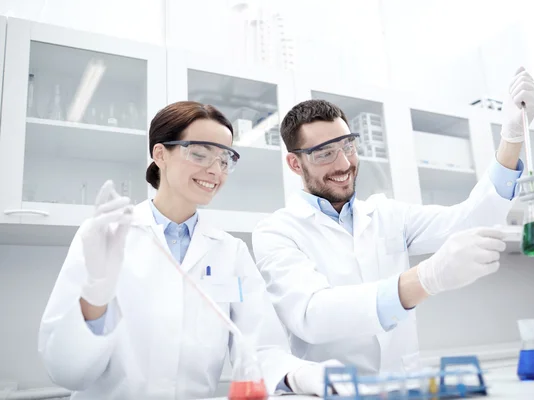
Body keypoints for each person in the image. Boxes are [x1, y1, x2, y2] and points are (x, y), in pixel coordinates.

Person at [252, 68, 534, 373]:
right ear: (295, 163)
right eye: (324, 153)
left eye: (347, 146)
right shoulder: (277, 232)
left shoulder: (386, 215)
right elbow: (312, 315)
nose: (343, 163)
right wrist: (424, 278)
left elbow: (471, 220)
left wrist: (511, 137)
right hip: (330, 392)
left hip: (401, 385)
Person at [38, 101, 336, 399]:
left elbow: (260, 347)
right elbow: (66, 371)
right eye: (199, 154)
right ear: (160, 154)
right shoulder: (106, 236)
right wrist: (95, 297)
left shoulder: (231, 252)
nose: (215, 170)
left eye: (224, 160)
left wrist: (299, 374)